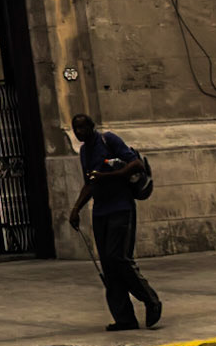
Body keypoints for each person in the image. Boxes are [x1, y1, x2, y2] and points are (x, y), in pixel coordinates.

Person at [68, 113, 162, 332]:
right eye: (75, 128)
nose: (79, 132)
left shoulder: (109, 140)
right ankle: (124, 318)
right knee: (108, 266)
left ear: (92, 127)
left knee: (118, 257)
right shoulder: (84, 152)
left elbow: (136, 164)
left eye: (82, 127)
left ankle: (151, 300)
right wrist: (76, 209)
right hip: (100, 211)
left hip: (121, 207)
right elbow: (90, 183)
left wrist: (107, 176)